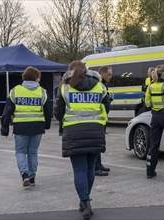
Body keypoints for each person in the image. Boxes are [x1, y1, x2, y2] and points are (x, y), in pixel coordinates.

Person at [53, 60, 109, 220]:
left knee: (79, 169)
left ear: (70, 71)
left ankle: (85, 201)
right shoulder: (100, 86)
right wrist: (100, 121)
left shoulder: (64, 88)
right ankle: (86, 200)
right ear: (86, 71)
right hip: (96, 130)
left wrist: (67, 121)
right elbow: (106, 107)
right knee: (90, 168)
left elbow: (58, 112)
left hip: (73, 132)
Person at [0, 67, 51, 187]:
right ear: (37, 78)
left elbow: (7, 112)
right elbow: (48, 111)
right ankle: (32, 177)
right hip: (37, 126)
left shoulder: (15, 91)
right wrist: (47, 125)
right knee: (33, 152)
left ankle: (24, 175)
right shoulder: (42, 92)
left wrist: (5, 127)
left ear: (24, 76)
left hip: (20, 126)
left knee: (20, 151)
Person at [95, 65, 113, 176]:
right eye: (108, 74)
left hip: (101, 118)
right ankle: (96, 166)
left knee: (100, 142)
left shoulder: (103, 84)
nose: (110, 76)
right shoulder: (99, 85)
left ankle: (99, 164)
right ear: (102, 74)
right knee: (97, 143)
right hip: (98, 118)